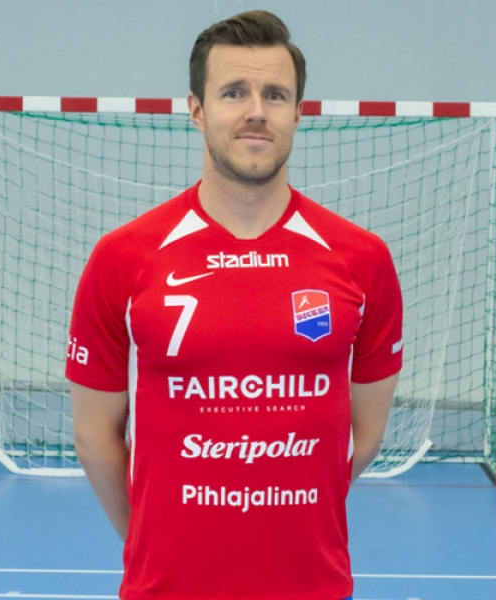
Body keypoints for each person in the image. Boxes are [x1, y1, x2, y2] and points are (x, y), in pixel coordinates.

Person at [66, 10, 403, 600]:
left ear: (298, 112)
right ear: (197, 109)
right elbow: (95, 437)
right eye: (233, 92)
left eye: (275, 95)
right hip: (165, 588)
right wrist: (154, 540)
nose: (256, 111)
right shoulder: (123, 257)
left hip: (313, 586)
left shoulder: (361, 258)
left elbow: (364, 436)